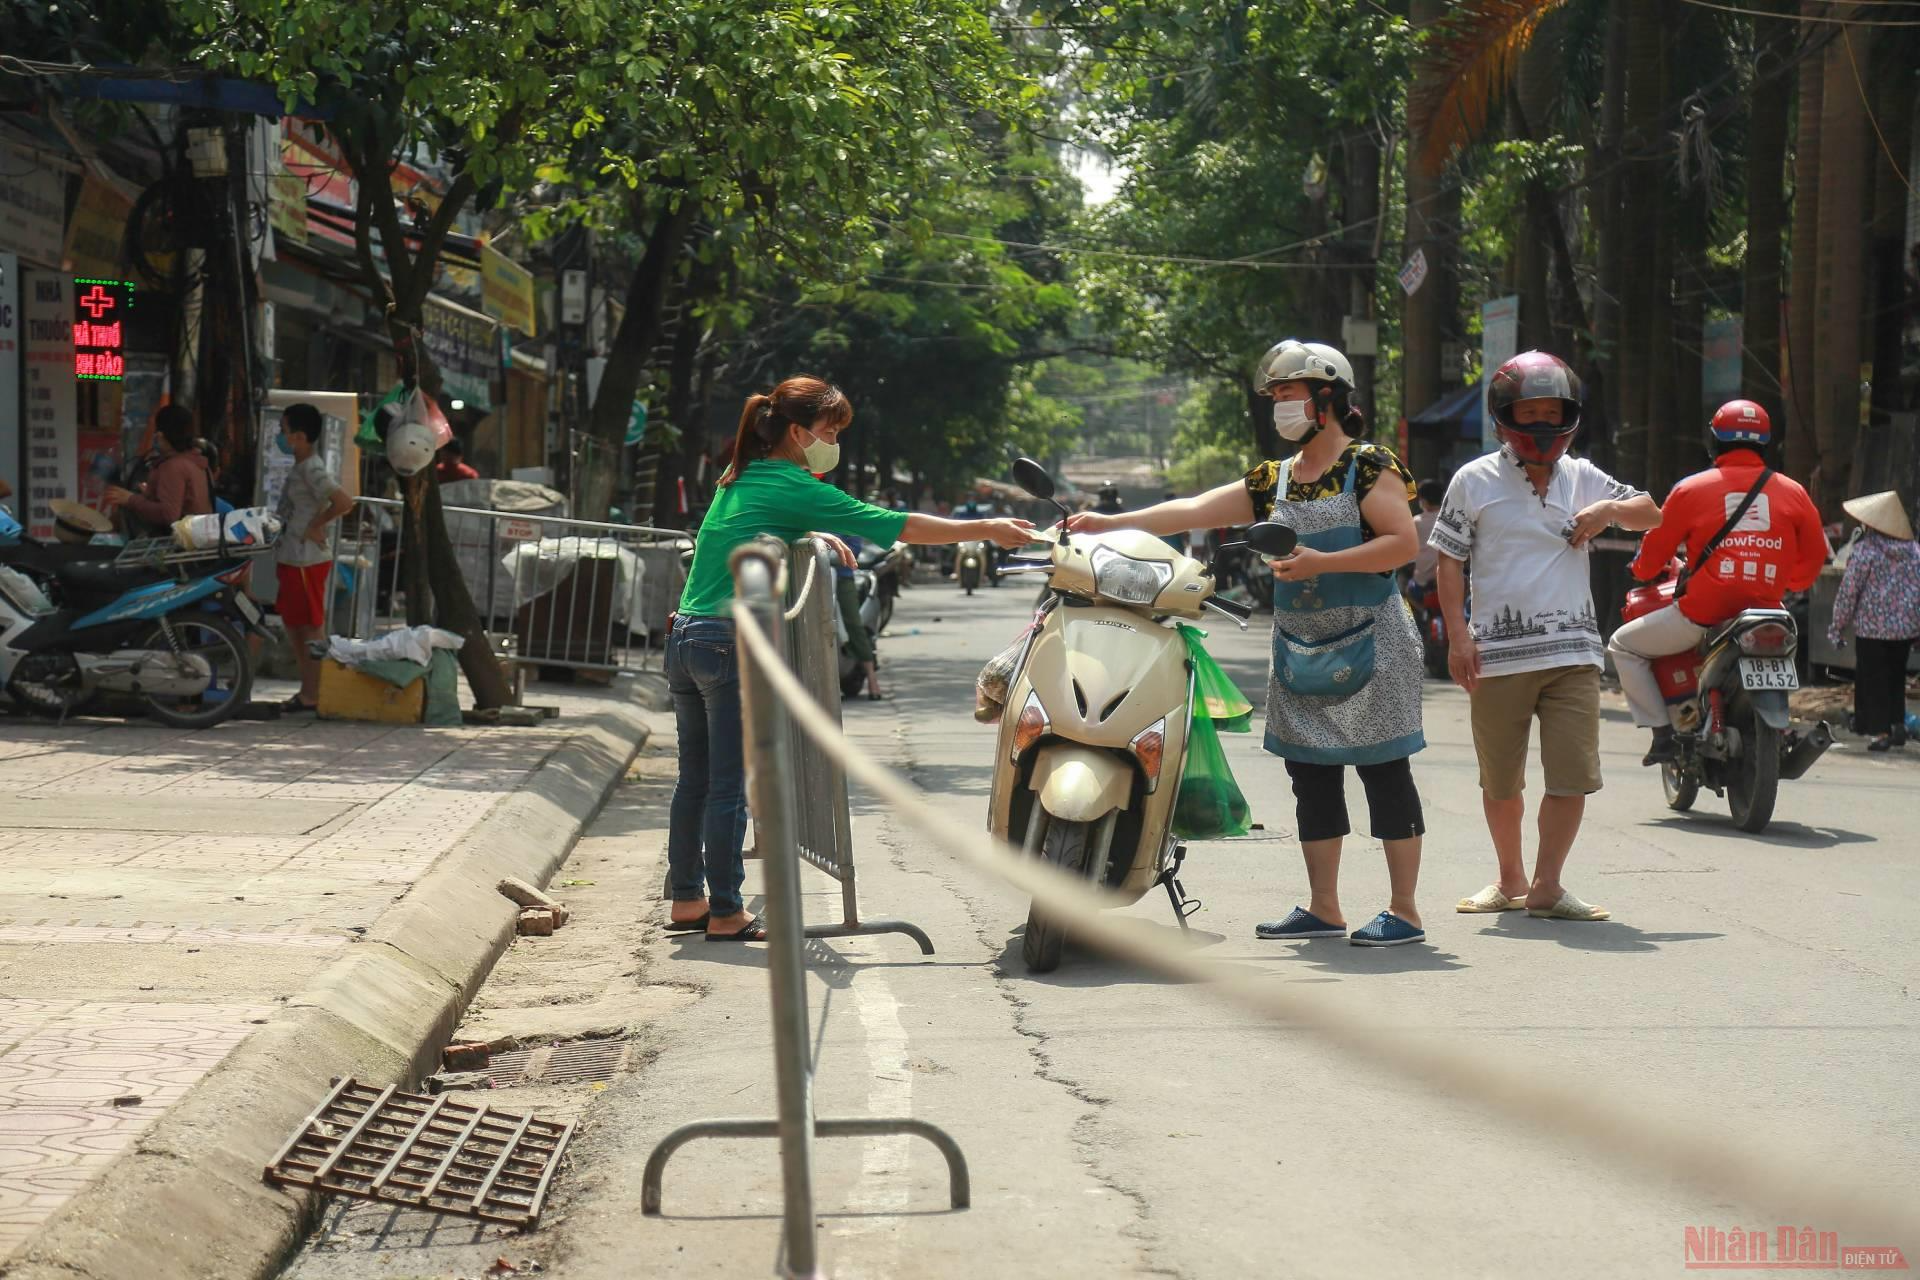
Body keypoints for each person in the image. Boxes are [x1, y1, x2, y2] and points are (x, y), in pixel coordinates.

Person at [1072, 339, 1430, 947]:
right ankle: (1324, 907)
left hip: (1375, 645)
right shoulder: (1275, 478)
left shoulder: (1370, 467)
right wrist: (1111, 522)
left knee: (1384, 775)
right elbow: (1193, 510)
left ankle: (1405, 910)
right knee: (1310, 778)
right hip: (1300, 648)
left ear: (1327, 397)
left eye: (1288, 394)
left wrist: (1321, 561)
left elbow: (1403, 545)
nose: (1280, 407)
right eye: (1275, 398)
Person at [667, 376, 1034, 941]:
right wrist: (986, 527)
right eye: (829, 430)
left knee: (694, 779)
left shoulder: (737, 475)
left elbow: (759, 522)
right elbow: (899, 525)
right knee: (725, 785)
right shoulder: (792, 483)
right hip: (727, 642)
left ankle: (687, 899)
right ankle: (725, 910)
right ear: (796, 431)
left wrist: (810, 530)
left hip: (688, 636)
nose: (833, 441)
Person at [1432, 350, 1661, 922]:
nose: (1540, 424)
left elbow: (1651, 513)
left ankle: (1547, 885)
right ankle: (1510, 878)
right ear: (1504, 417)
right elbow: (1448, 562)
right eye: (1528, 411)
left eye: (1551, 411)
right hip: (1495, 656)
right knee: (1501, 780)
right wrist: (1458, 638)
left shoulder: (1584, 478)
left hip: (1574, 655)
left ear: (1570, 415)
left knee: (1572, 777)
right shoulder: (1473, 479)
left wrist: (1608, 509)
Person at [1612, 400, 1827, 765]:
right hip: (1769, 614)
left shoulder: (1690, 489)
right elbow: (1814, 556)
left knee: (1622, 646)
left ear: (1713, 442)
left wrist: (1642, 570)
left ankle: (1662, 733)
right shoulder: (1794, 492)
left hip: (1702, 617)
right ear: (1766, 444)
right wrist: (1785, 581)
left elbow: (1653, 554)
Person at [274, 403, 355, 712]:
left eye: (283, 431)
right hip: (292, 557)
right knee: (296, 627)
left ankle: (314, 693)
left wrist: (315, 526)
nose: (280, 438)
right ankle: (307, 690)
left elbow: (343, 502)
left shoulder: (312, 467)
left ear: (300, 436)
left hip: (307, 560)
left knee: (311, 627)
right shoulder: (301, 466)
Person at [1830, 490, 1920, 752]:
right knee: (1895, 677)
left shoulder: (1866, 551)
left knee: (1874, 679)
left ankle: (1881, 732)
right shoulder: (1914, 552)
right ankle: (1897, 725)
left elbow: (1849, 592)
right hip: (1904, 630)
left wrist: (1837, 626)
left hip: (1872, 629)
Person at [103, 405, 213, 534]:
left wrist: (131, 499)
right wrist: (150, 495)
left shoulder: (174, 466)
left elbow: (168, 514)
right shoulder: (198, 462)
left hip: (179, 544)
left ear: (160, 435)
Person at [835, 533, 885, 701]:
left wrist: (835, 552)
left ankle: (872, 677)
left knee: (853, 624)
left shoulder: (844, 511)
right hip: (811, 576)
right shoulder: (809, 513)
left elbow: (855, 548)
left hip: (842, 578)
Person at [1408, 479, 1444, 597]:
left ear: (1423, 501)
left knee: (1408, 592)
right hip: (1445, 577)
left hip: (1422, 581)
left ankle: (1423, 611)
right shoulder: (1448, 519)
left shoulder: (1417, 521)